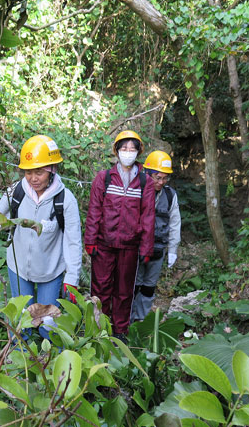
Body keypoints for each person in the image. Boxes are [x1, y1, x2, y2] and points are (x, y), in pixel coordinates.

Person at [0, 135, 82, 339]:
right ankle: (19, 361)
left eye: (39, 172)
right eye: (28, 172)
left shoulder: (65, 200)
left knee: (48, 324)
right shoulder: (16, 192)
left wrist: (72, 277)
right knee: (19, 322)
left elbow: (73, 241)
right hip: (18, 268)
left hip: (50, 271)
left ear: (52, 170)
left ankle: (51, 362)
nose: (33, 178)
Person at [83, 130, 155, 342]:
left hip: (130, 246)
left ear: (138, 152)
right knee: (100, 289)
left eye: (132, 149)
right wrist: (90, 240)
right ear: (116, 151)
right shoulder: (104, 178)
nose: (128, 152)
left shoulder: (145, 182)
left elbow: (148, 217)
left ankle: (120, 331)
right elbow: (94, 210)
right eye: (124, 148)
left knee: (124, 291)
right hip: (104, 244)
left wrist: (146, 248)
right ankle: (99, 328)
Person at [131, 151, 181, 323]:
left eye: (165, 178)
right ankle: (127, 321)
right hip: (135, 251)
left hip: (157, 250)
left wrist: (173, 250)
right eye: (158, 178)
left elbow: (175, 223)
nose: (161, 182)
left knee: (148, 288)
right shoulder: (135, 191)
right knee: (133, 286)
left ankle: (142, 322)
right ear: (147, 173)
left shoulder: (169, 195)